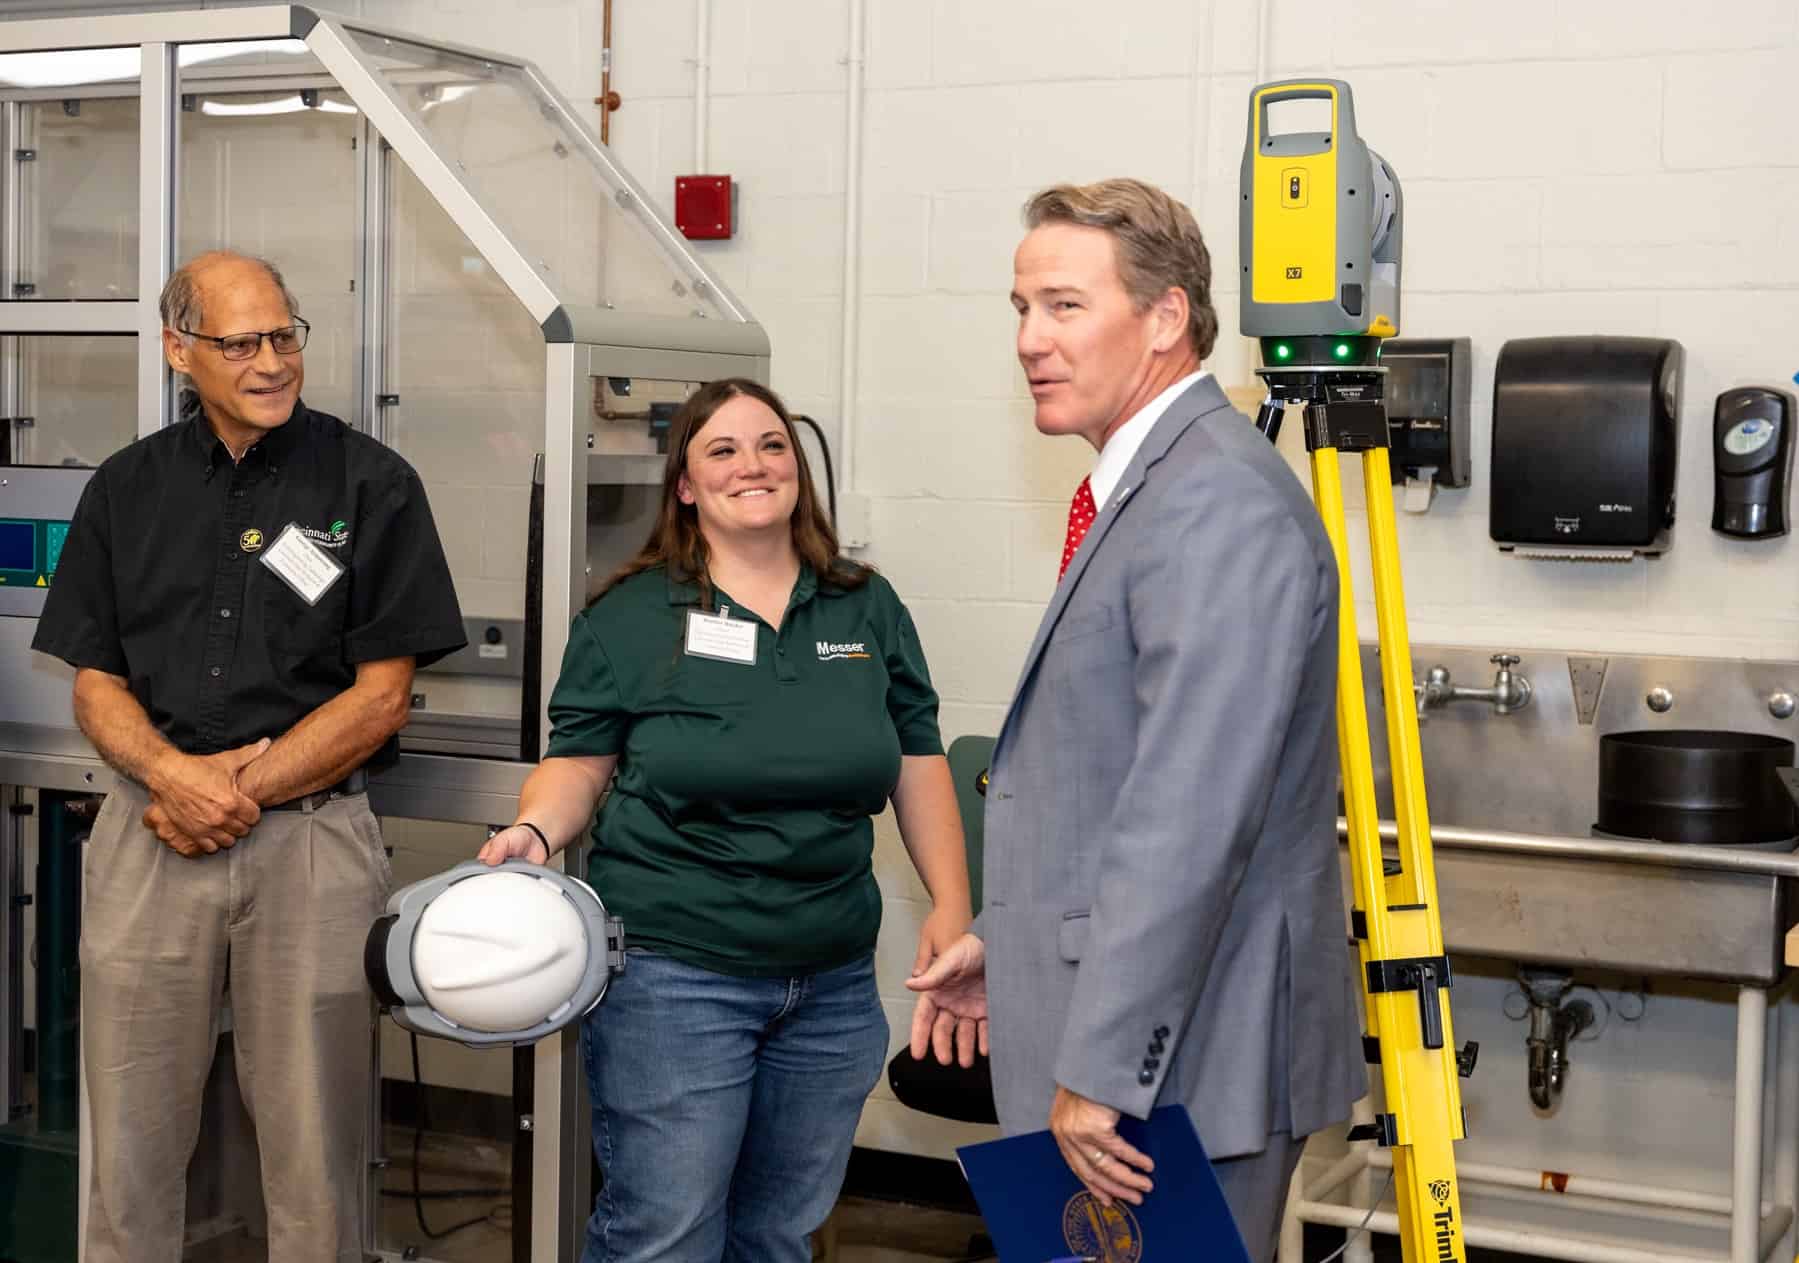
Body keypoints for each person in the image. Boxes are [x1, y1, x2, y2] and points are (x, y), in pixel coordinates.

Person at [905, 178, 1364, 1259]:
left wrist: (1104, 1065)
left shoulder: (1214, 503)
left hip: (1179, 1059)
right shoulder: (1150, 486)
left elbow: (1186, 819)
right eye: (1020, 308)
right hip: (1138, 1031)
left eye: (1064, 306)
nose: (1028, 339)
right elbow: (1104, 781)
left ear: (1163, 319)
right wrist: (1008, 947)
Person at [32, 250, 467, 1262]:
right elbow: (95, 681)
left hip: (311, 848)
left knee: (315, 1154)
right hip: (149, 842)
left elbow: (383, 696)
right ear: (179, 349)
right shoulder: (125, 488)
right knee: (127, 1151)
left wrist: (231, 792)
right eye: (242, 342)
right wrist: (177, 779)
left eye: (285, 336)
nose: (272, 361)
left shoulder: (370, 483)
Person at [476, 377, 971, 1263]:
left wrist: (949, 902)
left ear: (798, 469)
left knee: (779, 1233)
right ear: (686, 486)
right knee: (665, 1232)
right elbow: (581, 757)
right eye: (724, 450)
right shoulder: (629, 617)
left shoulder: (863, 603)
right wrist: (538, 831)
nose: (754, 464)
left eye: (772, 445)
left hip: (831, 980)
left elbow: (915, 752)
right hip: (675, 976)